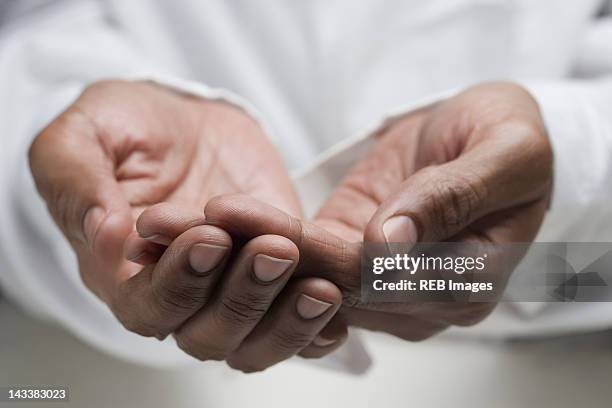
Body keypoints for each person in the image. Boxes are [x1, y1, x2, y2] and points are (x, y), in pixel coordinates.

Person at [1, 0, 611, 373]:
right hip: (87, 377)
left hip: (554, 378)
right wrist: (58, 163)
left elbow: (595, 261)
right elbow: (33, 26)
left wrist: (565, 161)